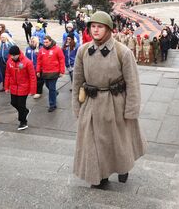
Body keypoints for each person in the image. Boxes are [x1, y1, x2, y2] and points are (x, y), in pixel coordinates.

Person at [72, 11, 146, 188]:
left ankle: (123, 167)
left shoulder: (123, 52)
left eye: (100, 27)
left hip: (115, 103)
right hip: (91, 103)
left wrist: (131, 111)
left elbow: (133, 83)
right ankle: (99, 175)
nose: (95, 30)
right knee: (93, 143)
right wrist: (77, 106)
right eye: (93, 26)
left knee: (118, 143)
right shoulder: (83, 51)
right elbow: (77, 81)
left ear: (109, 29)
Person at [4, 45, 37, 131]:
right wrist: (6, 87)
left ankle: (23, 122)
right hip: (14, 87)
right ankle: (25, 111)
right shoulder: (9, 62)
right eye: (11, 55)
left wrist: (32, 90)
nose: (12, 57)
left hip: (24, 87)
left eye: (14, 55)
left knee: (21, 105)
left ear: (18, 54)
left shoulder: (27, 62)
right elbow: (7, 74)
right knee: (13, 102)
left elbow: (32, 76)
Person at [36, 35, 65, 112]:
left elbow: (62, 60)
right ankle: (55, 93)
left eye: (47, 42)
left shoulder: (57, 49)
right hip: (45, 72)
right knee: (48, 85)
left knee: (51, 88)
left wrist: (62, 71)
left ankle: (52, 105)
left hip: (54, 72)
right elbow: (39, 61)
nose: (45, 43)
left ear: (50, 41)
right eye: (44, 42)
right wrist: (38, 71)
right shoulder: (41, 50)